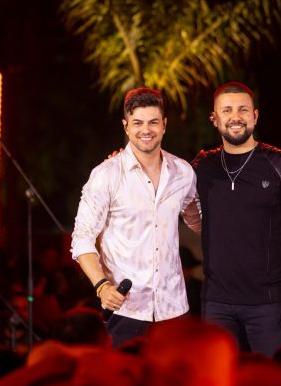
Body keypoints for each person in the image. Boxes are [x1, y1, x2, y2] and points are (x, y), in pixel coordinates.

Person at [192, 81, 281, 356]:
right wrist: (124, 160)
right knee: (219, 380)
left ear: (255, 116)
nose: (235, 117)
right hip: (216, 304)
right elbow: (161, 180)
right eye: (227, 110)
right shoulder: (201, 166)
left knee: (272, 379)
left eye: (243, 110)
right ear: (215, 118)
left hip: (269, 304)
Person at [71, 88, 200, 347]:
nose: (146, 130)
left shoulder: (183, 173)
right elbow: (82, 239)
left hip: (174, 308)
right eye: (138, 123)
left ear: (164, 125)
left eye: (153, 122)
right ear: (126, 126)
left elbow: (197, 220)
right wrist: (102, 286)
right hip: (126, 310)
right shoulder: (106, 174)